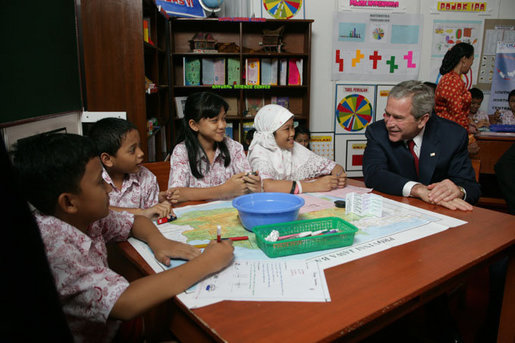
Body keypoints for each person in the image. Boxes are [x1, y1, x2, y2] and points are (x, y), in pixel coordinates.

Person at [12, 133, 234, 342]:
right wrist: (208, 262)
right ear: (69, 202)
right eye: (100, 182)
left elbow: (135, 222)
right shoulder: (55, 246)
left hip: (111, 327)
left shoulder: (87, 216)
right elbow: (124, 303)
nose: (109, 190)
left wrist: (160, 242)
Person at [363, 80, 480, 211]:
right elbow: (374, 174)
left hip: (440, 213)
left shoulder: (453, 135)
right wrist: (417, 189)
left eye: (398, 118)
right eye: (387, 114)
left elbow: (471, 187)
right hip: (396, 210)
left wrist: (458, 190)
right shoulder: (377, 132)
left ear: (422, 120)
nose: (389, 123)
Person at [168, 92, 261, 200]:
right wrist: (224, 190)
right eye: (214, 121)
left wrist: (255, 186)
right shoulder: (181, 151)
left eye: (224, 118)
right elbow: (175, 194)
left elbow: (247, 188)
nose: (223, 125)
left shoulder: (234, 148)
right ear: (194, 125)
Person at [88, 118, 177, 220]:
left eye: (139, 146)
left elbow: (153, 217)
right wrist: (140, 212)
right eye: (132, 150)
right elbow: (91, 212)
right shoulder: (93, 182)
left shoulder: (147, 178)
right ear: (107, 159)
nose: (141, 153)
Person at [248, 104, 346, 193]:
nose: (293, 133)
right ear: (269, 133)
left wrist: (339, 175)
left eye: (293, 127)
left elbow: (333, 166)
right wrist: (314, 186)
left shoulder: (294, 147)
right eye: (287, 129)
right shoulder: (259, 152)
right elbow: (267, 185)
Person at [435, 42, 474, 131]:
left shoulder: (453, 79)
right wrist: (468, 136)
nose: (471, 64)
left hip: (451, 129)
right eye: (471, 60)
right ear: (464, 59)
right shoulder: (452, 80)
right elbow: (456, 113)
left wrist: (468, 122)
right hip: (450, 132)